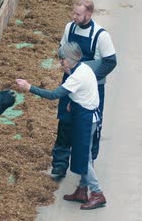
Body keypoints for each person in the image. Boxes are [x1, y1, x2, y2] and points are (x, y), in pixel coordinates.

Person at [16, 42, 106, 210]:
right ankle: (82, 190)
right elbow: (87, 93)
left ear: (71, 59)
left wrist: (29, 88)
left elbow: (53, 95)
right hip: (86, 113)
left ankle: (97, 193)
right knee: (83, 156)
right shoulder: (84, 68)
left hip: (85, 119)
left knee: (83, 159)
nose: (61, 63)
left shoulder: (76, 77)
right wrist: (74, 102)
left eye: (62, 59)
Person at [51, 0, 117, 180]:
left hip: (92, 89)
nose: (74, 16)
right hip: (70, 84)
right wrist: (62, 61)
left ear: (89, 14)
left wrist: (87, 78)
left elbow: (111, 61)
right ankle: (60, 163)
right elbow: (61, 48)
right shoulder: (69, 28)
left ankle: (88, 165)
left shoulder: (100, 35)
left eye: (78, 14)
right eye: (73, 12)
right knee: (65, 122)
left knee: (90, 126)